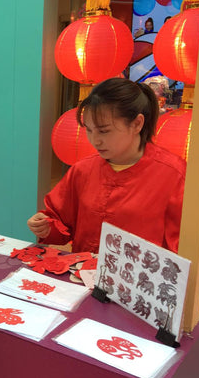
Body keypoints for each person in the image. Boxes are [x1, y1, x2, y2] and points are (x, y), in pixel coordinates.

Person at [27, 77, 185, 254]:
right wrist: (46, 226)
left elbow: (182, 247)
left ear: (137, 124)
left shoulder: (174, 174)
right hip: (82, 276)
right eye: (89, 129)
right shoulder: (83, 170)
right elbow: (61, 222)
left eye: (104, 131)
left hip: (140, 280)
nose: (95, 140)